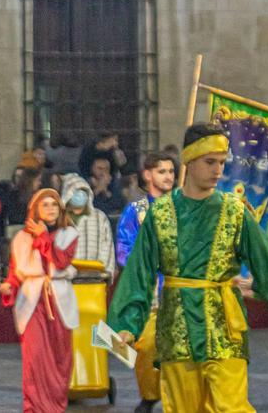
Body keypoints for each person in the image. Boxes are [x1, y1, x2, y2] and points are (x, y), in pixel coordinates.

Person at [110, 123, 268, 411]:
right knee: (183, 408)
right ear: (189, 161)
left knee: (231, 406)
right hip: (177, 326)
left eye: (222, 162)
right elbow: (138, 273)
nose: (218, 170)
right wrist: (127, 324)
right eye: (210, 162)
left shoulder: (235, 211)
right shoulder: (160, 214)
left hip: (224, 325)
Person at [0, 188, 79, 413]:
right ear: (35, 210)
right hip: (33, 302)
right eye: (45, 205)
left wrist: (43, 237)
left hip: (59, 301)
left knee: (59, 361)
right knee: (34, 358)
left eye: (54, 205)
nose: (51, 209)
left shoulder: (69, 234)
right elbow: (16, 271)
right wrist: (9, 285)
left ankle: (55, 407)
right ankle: (33, 408)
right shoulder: (22, 238)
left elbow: (61, 261)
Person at [115, 150, 176, 413]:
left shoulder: (184, 207)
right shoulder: (136, 211)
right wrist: (146, 262)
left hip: (178, 287)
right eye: (162, 171)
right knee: (146, 345)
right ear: (148, 175)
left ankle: (176, 398)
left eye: (172, 171)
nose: (169, 177)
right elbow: (123, 248)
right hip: (149, 289)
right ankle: (150, 395)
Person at [60, 172, 115, 277]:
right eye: (76, 192)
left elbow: (107, 248)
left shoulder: (99, 217)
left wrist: (105, 275)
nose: (80, 195)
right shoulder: (60, 219)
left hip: (95, 280)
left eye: (83, 191)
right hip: (65, 281)